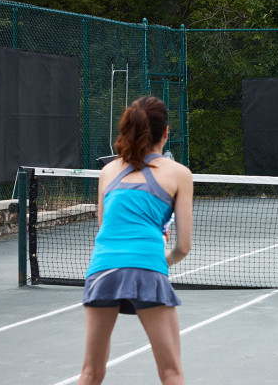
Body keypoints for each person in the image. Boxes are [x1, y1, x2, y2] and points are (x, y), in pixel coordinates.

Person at [78, 96, 193, 385]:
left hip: (102, 270)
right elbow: (183, 247)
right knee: (171, 373)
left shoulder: (108, 172)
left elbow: (106, 226)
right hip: (147, 270)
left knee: (91, 373)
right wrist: (159, 257)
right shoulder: (180, 174)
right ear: (165, 132)